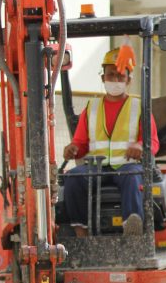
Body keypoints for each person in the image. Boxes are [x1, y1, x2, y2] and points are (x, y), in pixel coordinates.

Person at [62, 47, 159, 236]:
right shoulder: (92, 107)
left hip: (127, 166)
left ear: (129, 80)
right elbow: (80, 143)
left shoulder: (139, 108)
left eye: (120, 76)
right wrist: (73, 148)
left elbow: (152, 142)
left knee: (131, 178)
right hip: (96, 167)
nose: (115, 80)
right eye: (110, 75)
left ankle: (132, 229)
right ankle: (81, 232)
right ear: (103, 78)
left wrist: (140, 146)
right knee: (72, 178)